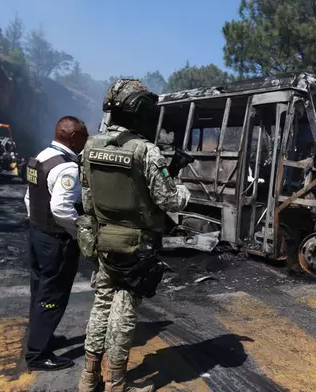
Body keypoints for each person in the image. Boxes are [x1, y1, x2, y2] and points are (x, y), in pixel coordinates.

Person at [77, 79, 190, 392]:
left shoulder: (89, 146)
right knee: (123, 312)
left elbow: (87, 200)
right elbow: (171, 200)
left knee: (100, 306)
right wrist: (181, 185)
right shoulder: (147, 152)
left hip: (102, 241)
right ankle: (117, 383)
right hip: (135, 247)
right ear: (140, 113)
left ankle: (88, 379)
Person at [23, 115, 89, 371]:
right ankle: (37, 355)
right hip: (56, 241)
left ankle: (41, 337)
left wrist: (39, 224)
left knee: (39, 291)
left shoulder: (39, 157)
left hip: (37, 235)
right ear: (73, 137)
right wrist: (78, 232)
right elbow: (62, 208)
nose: (85, 142)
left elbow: (29, 198)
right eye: (83, 137)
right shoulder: (67, 167)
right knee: (53, 297)